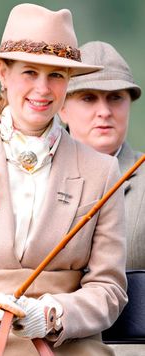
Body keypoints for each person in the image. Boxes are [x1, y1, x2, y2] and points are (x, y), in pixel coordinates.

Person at [0, 5, 127, 355]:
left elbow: (108, 288)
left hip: (68, 348)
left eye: (57, 75)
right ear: (3, 72)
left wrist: (51, 315)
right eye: (30, 72)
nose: (43, 89)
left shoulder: (102, 171)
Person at [60, 40, 145, 270]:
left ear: (130, 104)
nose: (104, 112)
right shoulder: (35, 176)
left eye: (116, 97)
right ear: (62, 108)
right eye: (88, 98)